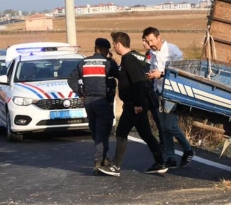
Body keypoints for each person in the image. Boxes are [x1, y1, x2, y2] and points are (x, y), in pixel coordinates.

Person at [98, 32, 167, 176]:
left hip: (134, 103)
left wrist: (137, 104)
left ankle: (116, 166)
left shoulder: (129, 59)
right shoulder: (132, 57)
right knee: (146, 133)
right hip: (138, 102)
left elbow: (137, 82)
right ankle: (160, 162)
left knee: (121, 132)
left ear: (118, 44)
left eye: (114, 44)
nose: (113, 48)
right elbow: (127, 77)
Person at [143, 26, 195, 169]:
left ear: (159, 37)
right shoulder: (152, 53)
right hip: (159, 92)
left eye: (152, 40)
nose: (150, 43)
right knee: (163, 128)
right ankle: (170, 158)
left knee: (170, 126)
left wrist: (160, 74)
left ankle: (188, 149)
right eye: (148, 41)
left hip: (173, 93)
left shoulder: (172, 50)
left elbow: (181, 71)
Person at [67, 38, 119, 173]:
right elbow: (120, 74)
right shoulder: (108, 63)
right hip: (102, 101)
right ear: (105, 50)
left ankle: (104, 157)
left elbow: (71, 79)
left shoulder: (83, 62)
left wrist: (81, 93)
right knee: (103, 131)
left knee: (96, 130)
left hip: (88, 101)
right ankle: (98, 162)